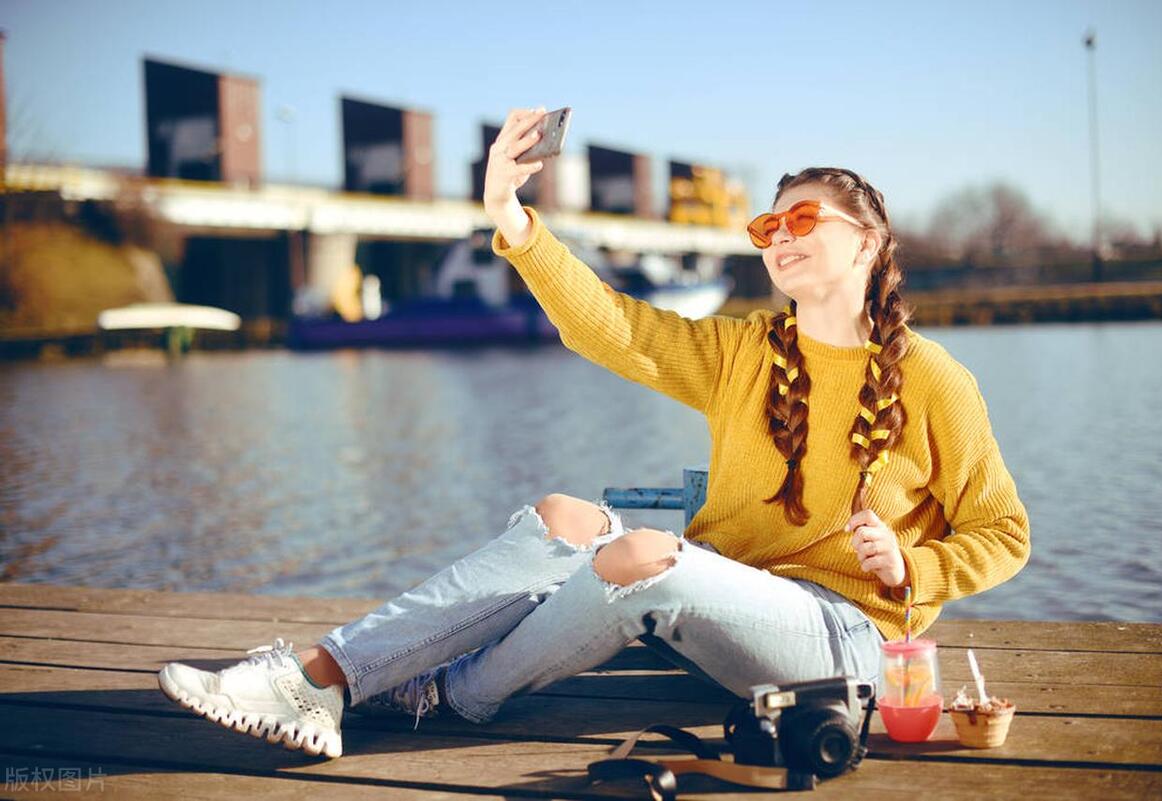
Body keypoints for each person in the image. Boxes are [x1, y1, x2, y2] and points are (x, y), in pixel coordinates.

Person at [157, 107, 1031, 760]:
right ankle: (326, 674)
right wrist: (511, 215)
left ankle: (439, 691)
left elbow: (1003, 531)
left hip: (845, 644)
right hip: (719, 625)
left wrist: (915, 566)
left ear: (870, 243)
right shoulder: (743, 351)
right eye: (769, 225)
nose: (780, 236)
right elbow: (611, 325)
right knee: (562, 519)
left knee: (640, 555)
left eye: (804, 219)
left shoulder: (932, 379)